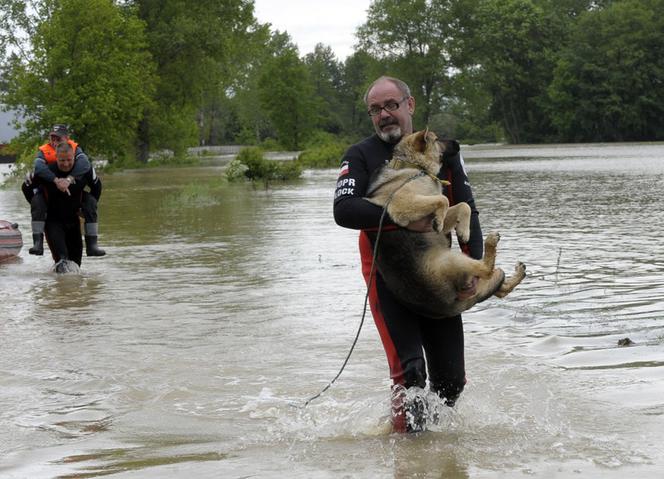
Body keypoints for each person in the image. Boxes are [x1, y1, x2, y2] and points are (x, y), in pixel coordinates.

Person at [333, 76, 484, 433]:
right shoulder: (360, 155)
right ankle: (408, 456)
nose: (384, 115)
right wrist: (402, 220)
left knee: (451, 382)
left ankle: (435, 453)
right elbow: (344, 210)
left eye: (391, 106)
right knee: (410, 372)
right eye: (375, 110)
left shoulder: (444, 151)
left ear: (410, 105)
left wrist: (473, 268)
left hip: (436, 273)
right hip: (388, 277)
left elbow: (469, 210)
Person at [21, 124, 106, 256]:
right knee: (37, 201)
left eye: (58, 139)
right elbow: (35, 172)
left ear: (67, 139)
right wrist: (42, 207)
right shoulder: (45, 158)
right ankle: (37, 242)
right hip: (53, 214)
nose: (55, 142)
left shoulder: (79, 156)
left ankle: (92, 245)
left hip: (72, 213)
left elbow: (91, 175)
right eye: (52, 139)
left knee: (90, 202)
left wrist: (85, 208)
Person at [33, 141, 103, 267]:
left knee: (76, 265)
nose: (66, 164)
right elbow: (26, 188)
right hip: (53, 222)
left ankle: (67, 286)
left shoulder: (83, 170)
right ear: (56, 158)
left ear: (74, 156)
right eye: (62, 160)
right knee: (62, 261)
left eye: (69, 160)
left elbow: (97, 187)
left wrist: (86, 209)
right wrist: (40, 208)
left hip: (73, 221)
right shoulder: (48, 171)